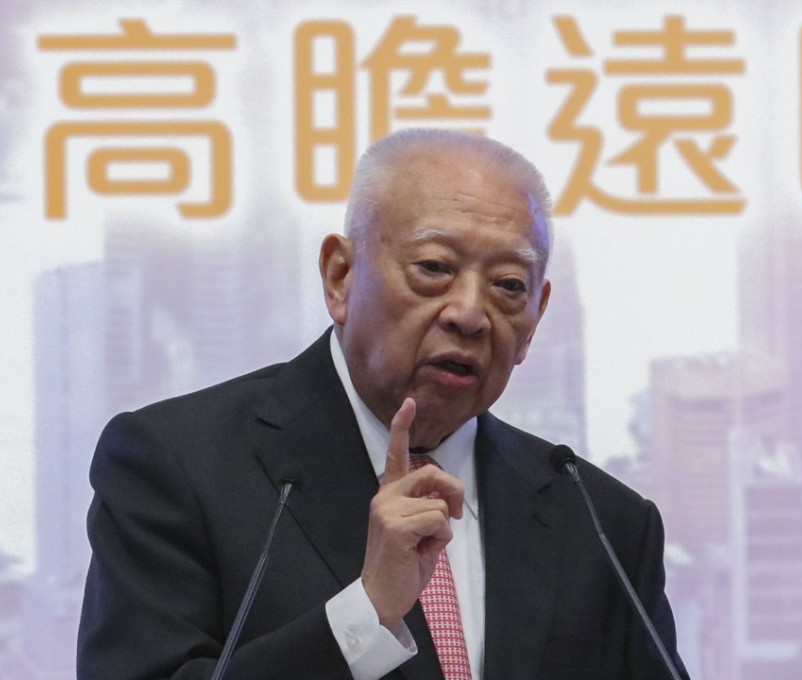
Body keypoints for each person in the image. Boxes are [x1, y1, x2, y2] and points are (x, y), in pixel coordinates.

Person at [77, 129, 689, 679]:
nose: (470, 314)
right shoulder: (177, 465)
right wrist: (364, 614)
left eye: (508, 285)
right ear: (340, 276)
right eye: (433, 268)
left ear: (534, 320)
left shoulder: (603, 521)